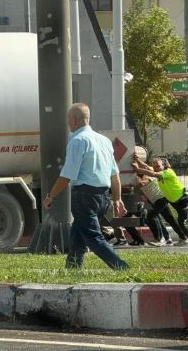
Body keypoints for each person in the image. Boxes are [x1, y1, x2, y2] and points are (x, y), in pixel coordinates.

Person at [43, 103, 129, 270]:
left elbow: (67, 175)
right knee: (77, 235)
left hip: (84, 195)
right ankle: (72, 268)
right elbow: (115, 174)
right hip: (103, 196)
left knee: (93, 237)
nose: (68, 124)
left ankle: (122, 268)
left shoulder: (77, 141)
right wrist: (117, 199)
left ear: (74, 120)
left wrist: (51, 196)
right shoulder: (104, 140)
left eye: (68, 120)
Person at [132, 157, 188, 246]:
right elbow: (147, 167)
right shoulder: (157, 170)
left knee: (182, 221)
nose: (156, 168)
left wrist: (137, 169)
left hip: (183, 199)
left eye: (158, 166)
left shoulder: (168, 172)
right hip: (172, 200)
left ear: (163, 165)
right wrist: (138, 160)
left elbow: (153, 173)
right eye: (155, 166)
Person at [134, 170, 188, 246]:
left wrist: (135, 185)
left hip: (161, 198)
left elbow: (142, 184)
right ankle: (182, 238)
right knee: (170, 219)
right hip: (156, 200)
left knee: (151, 216)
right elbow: (138, 189)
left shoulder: (148, 175)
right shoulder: (137, 178)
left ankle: (159, 239)